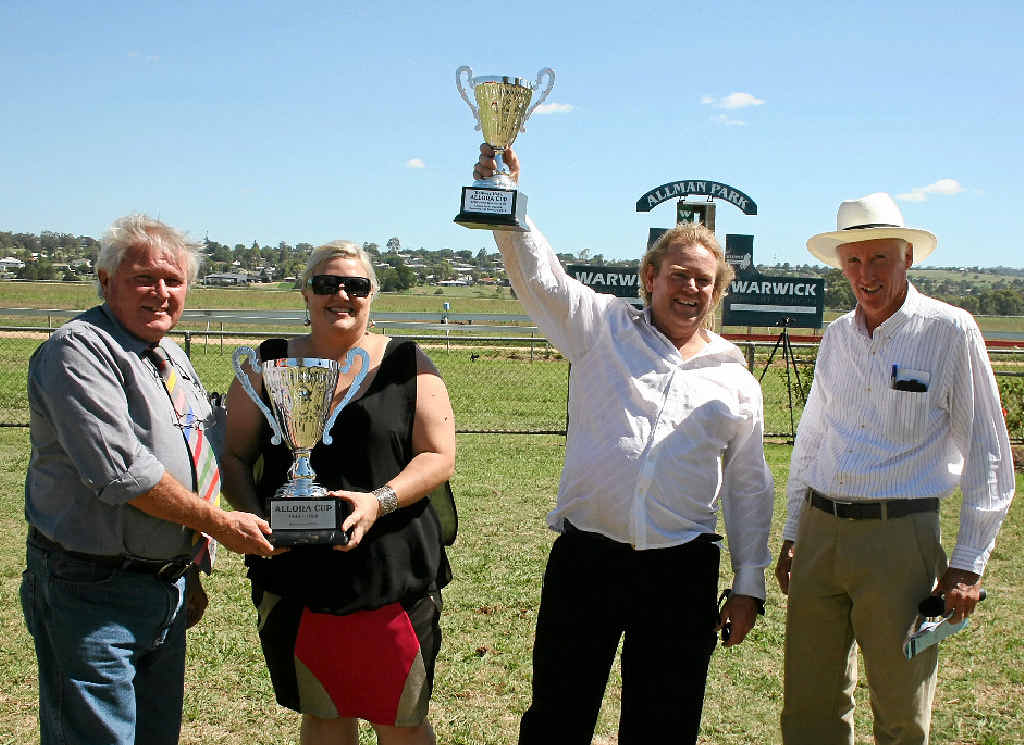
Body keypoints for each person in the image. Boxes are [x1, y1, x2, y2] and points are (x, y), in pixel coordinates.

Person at [473, 145, 775, 745]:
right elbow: (541, 278)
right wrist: (506, 193)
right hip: (588, 560)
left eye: (705, 282)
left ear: (717, 293)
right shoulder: (601, 328)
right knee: (558, 715)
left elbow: (748, 485)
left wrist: (748, 584)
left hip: (682, 570)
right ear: (650, 278)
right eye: (679, 275)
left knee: (664, 725)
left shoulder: (735, 378)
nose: (691, 289)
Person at [20, 214, 276, 745]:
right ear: (106, 280)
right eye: (144, 279)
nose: (161, 292)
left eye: (174, 281)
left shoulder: (171, 356)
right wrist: (220, 525)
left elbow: (201, 455)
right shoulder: (79, 350)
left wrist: (192, 566)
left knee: (155, 734)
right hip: (90, 589)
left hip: (165, 586)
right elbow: (123, 472)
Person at [775, 192, 1015, 745]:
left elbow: (987, 449)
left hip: (900, 539)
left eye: (879, 258)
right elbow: (813, 440)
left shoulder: (949, 331)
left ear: (907, 256)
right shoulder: (837, 337)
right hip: (820, 532)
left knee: (902, 708)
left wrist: (969, 563)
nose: (866, 273)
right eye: (854, 260)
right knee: (807, 705)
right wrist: (792, 533)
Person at [222, 240, 456, 745]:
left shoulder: (407, 362)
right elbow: (234, 457)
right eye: (327, 284)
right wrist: (257, 521)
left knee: (401, 717)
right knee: (323, 713)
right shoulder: (268, 365)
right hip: (295, 568)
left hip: (391, 569)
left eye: (356, 286)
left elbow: (439, 455)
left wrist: (378, 501)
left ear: (373, 295)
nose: (341, 295)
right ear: (305, 293)